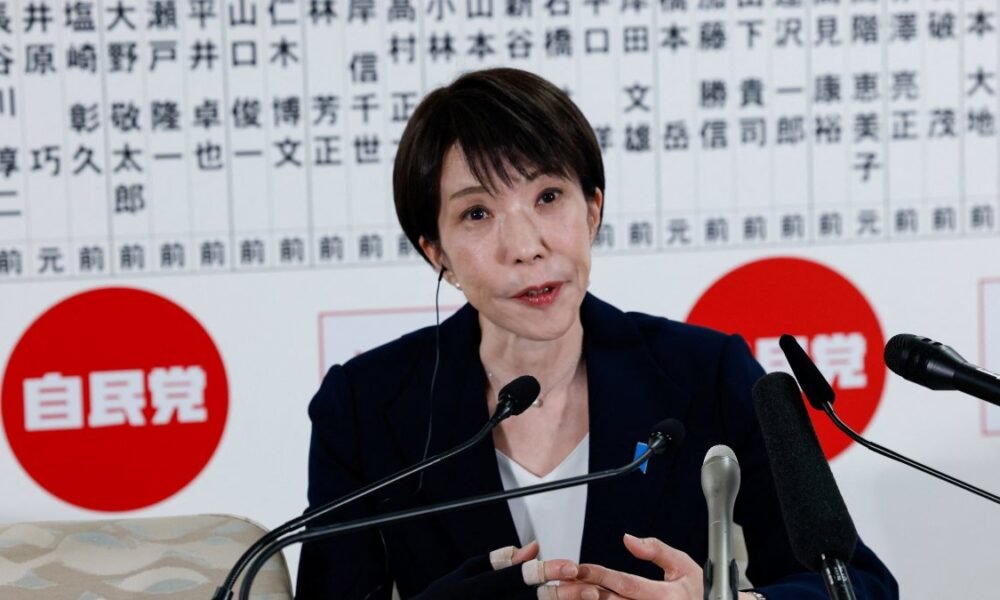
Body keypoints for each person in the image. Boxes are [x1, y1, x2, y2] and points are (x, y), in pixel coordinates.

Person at [296, 68, 898, 600]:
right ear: (436, 252)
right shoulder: (364, 407)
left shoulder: (706, 373)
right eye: (477, 213)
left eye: (548, 196)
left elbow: (858, 585)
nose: (526, 246)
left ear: (592, 210)